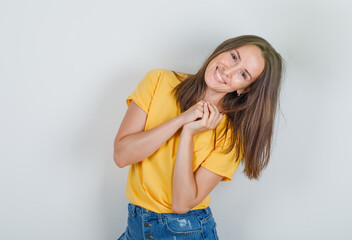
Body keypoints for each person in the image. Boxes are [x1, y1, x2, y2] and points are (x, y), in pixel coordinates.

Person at [114, 35, 283, 239]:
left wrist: (188, 133)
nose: (228, 71)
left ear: (244, 88)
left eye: (243, 74)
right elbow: (122, 156)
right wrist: (180, 120)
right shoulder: (158, 81)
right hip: (136, 226)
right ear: (223, 49)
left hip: (185, 231)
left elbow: (181, 204)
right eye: (233, 57)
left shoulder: (230, 135)